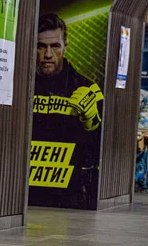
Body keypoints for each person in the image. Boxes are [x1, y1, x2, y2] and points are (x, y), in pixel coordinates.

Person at [28, 13, 103, 209]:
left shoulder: (88, 88)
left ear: (65, 46)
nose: (48, 54)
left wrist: (91, 121)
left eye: (55, 46)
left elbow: (105, 147)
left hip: (69, 195)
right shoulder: (17, 86)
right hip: (25, 194)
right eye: (41, 46)